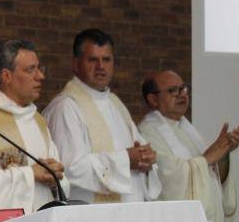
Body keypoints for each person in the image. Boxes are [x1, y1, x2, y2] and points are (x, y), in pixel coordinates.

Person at [138, 71, 239, 222]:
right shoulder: (147, 133)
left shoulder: (187, 130)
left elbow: (207, 172)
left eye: (183, 88)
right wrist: (209, 157)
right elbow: (167, 178)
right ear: (152, 99)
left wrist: (222, 155)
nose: (182, 94)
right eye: (173, 90)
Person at [43, 29, 161, 204]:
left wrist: (147, 159)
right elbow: (69, 168)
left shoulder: (115, 103)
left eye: (106, 59)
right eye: (93, 60)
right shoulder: (66, 106)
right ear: (75, 63)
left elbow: (138, 151)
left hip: (128, 213)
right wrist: (126, 160)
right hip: (90, 214)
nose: (101, 66)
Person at [0, 39, 69, 215]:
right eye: (30, 69)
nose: (40, 76)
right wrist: (31, 175)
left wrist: (56, 177)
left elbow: (60, 181)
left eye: (39, 68)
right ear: (6, 76)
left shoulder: (38, 121)